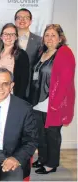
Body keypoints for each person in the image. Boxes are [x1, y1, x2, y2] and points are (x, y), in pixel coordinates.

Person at [28, 24, 76, 174]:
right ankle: (42, 158)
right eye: (46, 35)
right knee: (40, 133)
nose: (49, 38)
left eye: (53, 35)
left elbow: (65, 81)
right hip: (37, 100)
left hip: (53, 102)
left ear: (60, 38)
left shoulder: (64, 53)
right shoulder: (42, 52)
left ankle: (52, 163)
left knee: (52, 134)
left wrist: (56, 103)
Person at [0, 23, 29, 100]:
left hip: (12, 95)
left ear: (16, 37)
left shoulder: (21, 55)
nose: (8, 37)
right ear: (1, 36)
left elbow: (24, 81)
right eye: (6, 34)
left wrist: (18, 99)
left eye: (12, 34)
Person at [14, 8, 42, 98]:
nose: (22, 20)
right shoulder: (8, 38)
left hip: (28, 85)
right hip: (9, 82)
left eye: (26, 17)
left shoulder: (39, 41)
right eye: (19, 17)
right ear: (15, 21)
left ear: (30, 21)